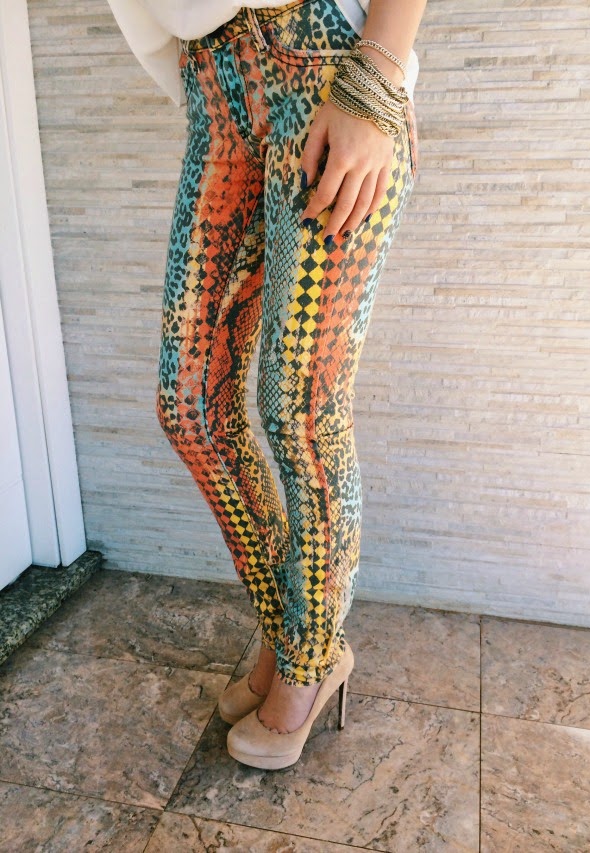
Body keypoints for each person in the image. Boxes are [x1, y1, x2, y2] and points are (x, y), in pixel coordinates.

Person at [106, 0, 426, 770]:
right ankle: (295, 632)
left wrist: (375, 76)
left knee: (300, 412)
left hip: (320, 65)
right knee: (192, 408)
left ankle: (308, 658)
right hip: (212, 88)